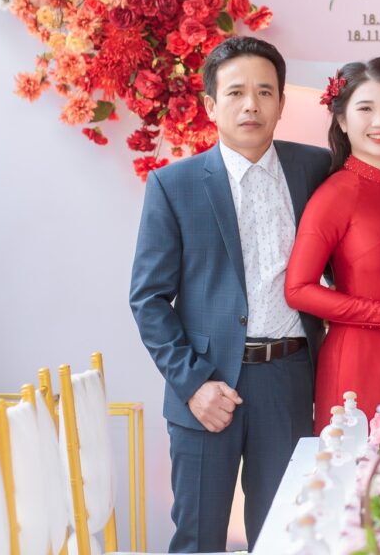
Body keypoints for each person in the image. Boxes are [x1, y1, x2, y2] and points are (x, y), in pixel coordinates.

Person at [128, 37, 331, 553]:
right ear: (210, 105)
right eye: (236, 92)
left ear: (281, 103)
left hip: (288, 381)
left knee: (285, 538)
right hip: (207, 385)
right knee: (198, 540)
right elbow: (148, 299)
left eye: (265, 92)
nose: (251, 105)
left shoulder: (315, 169)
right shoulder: (174, 185)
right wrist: (194, 384)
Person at [285, 57, 380, 432]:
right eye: (365, 109)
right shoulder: (335, 194)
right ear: (341, 120)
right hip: (360, 361)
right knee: (360, 464)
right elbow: (298, 290)